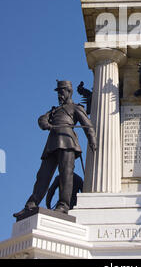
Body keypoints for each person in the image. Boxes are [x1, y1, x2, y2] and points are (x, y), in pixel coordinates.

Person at [14, 80, 97, 217]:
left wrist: (92, 140)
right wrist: (45, 123)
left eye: (61, 91)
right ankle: (31, 205)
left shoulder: (76, 108)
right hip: (52, 144)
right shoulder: (54, 110)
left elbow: (87, 125)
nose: (59, 95)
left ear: (69, 91)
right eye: (58, 92)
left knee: (66, 174)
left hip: (67, 142)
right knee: (42, 175)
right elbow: (41, 119)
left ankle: (63, 205)